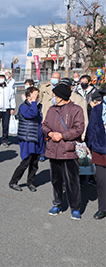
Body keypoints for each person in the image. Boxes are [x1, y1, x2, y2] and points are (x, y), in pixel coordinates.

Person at [42, 83, 85, 220]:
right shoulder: (51, 110)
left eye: (55, 95)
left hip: (68, 150)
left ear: (61, 97)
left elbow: (79, 128)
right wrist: (50, 133)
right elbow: (44, 125)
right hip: (53, 149)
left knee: (72, 181)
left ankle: (75, 208)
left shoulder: (76, 109)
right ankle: (58, 204)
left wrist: (62, 135)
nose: (53, 97)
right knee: (56, 180)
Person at [9, 87, 45, 192]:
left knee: (35, 163)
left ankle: (31, 182)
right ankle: (13, 181)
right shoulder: (23, 107)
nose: (37, 97)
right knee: (26, 161)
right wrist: (33, 102)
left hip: (38, 138)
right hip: (28, 138)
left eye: (38, 95)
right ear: (29, 95)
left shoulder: (38, 106)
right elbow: (31, 114)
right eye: (35, 94)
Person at [85, 85, 106, 220]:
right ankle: (102, 208)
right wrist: (88, 145)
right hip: (99, 149)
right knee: (101, 181)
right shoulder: (97, 109)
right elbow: (91, 129)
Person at [0, 71, 15, 147]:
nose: (0, 78)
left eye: (2, 77)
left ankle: (5, 140)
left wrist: (12, 107)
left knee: (5, 126)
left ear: (5, 78)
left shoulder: (9, 87)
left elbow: (12, 98)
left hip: (6, 109)